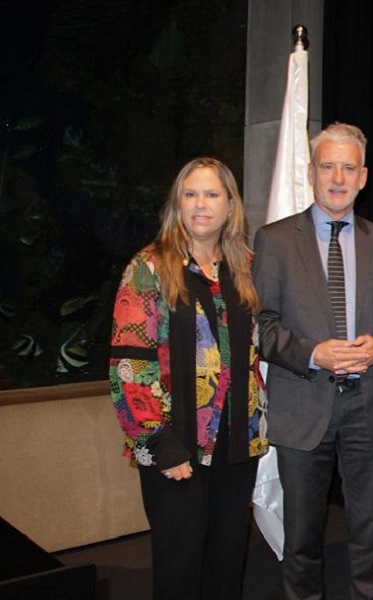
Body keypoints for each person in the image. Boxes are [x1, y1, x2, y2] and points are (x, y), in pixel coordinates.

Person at [253, 123, 373, 600]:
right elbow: (262, 326)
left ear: (364, 177)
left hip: (369, 406)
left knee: (369, 534)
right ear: (311, 172)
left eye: (348, 167)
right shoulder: (275, 240)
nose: (338, 177)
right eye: (328, 166)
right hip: (301, 407)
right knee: (301, 540)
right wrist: (314, 353)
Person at [109, 157, 267, 599]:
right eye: (191, 194)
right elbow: (128, 364)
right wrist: (160, 443)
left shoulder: (246, 266)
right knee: (179, 571)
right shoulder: (149, 267)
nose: (201, 205)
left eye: (212, 194)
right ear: (177, 203)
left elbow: (264, 346)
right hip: (176, 448)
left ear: (230, 204)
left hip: (238, 447)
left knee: (226, 565)